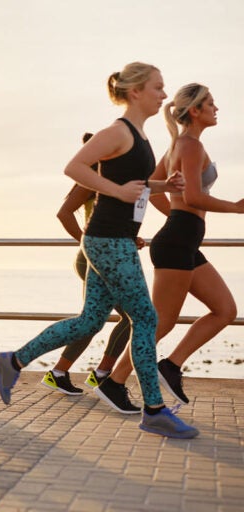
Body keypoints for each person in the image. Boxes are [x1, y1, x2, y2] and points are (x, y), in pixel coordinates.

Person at [0, 62, 200, 439]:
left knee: (89, 321)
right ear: (135, 91)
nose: (164, 95)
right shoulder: (116, 132)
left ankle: (13, 361)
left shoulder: (139, 135)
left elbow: (133, 184)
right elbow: (74, 166)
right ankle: (154, 410)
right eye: (157, 87)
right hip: (109, 241)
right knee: (146, 319)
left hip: (112, 239)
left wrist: (161, 185)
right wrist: (115, 191)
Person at [95, 83, 242, 410]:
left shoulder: (181, 146)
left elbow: (154, 189)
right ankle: (115, 383)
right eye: (211, 104)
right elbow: (191, 197)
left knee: (225, 310)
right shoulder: (189, 146)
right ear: (195, 111)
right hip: (177, 242)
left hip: (184, 240)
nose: (216, 109)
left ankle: (171, 366)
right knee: (161, 322)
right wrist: (236, 207)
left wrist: (177, 213)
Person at [40, 132, 133, 395]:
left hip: (109, 257)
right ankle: (101, 374)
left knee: (93, 320)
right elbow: (64, 213)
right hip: (94, 258)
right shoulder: (93, 180)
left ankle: (60, 372)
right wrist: (88, 241)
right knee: (133, 317)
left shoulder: (111, 181)